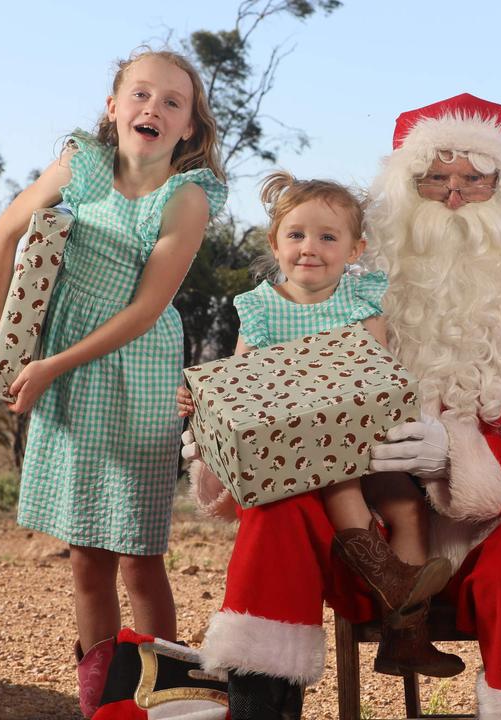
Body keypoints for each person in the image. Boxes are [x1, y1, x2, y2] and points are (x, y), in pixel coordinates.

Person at [191, 93, 501, 719]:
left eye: (475, 178)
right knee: (277, 516)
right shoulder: (354, 290)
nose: (453, 194)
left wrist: (461, 459)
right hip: (370, 527)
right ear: (404, 188)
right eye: (435, 177)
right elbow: (281, 388)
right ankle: (260, 709)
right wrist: (222, 437)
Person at [0, 48, 227, 718]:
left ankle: (166, 701)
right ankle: (103, 703)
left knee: (138, 553)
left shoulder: (187, 198)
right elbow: (4, 235)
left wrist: (48, 366)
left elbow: (147, 309)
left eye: (173, 102)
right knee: (85, 553)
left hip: (135, 366)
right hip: (60, 361)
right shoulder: (82, 165)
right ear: (114, 107)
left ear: (188, 130)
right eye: (141, 94)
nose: (154, 108)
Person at [177, 170, 464, 678]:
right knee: (335, 473)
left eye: (328, 237)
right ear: (276, 243)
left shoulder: (360, 304)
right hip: (292, 452)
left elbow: (373, 376)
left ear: (354, 250)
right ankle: (391, 582)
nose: (310, 247)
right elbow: (240, 384)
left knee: (406, 506)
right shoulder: (262, 309)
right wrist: (202, 404)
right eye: (296, 234)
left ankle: (405, 633)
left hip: (360, 439)